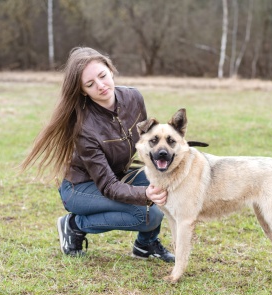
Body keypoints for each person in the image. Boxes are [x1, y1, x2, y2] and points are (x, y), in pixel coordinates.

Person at [21, 46, 174, 262]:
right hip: (82, 188)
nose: (101, 86)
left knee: (167, 181)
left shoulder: (133, 97)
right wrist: (144, 195)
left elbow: (145, 142)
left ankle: (145, 245)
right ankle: (73, 225)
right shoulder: (84, 126)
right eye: (90, 84)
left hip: (119, 174)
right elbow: (108, 185)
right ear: (83, 90)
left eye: (102, 76)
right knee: (148, 213)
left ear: (110, 69)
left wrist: (163, 167)